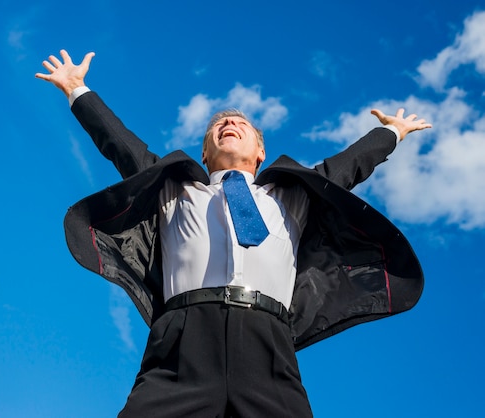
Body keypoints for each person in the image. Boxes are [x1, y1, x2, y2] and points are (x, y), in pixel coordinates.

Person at [36, 49, 432, 417]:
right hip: (183, 340)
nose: (228, 123)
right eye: (218, 125)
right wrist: (77, 90)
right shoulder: (177, 191)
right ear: (204, 154)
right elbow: (121, 146)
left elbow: (347, 168)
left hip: (268, 341)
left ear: (260, 152)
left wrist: (392, 133)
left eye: (241, 124)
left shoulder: (291, 197)